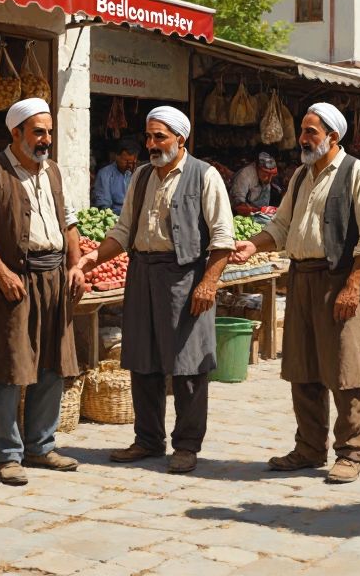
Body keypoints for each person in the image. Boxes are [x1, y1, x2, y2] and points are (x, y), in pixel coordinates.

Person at [231, 103, 360, 484]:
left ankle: (350, 452)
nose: (302, 138)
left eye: (311, 131)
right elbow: (281, 227)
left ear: (333, 136)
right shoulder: (301, 176)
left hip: (341, 279)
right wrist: (254, 245)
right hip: (302, 277)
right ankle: (309, 447)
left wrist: (353, 285)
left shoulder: (358, 174)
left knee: (347, 369)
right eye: (303, 130)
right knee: (303, 366)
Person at [79, 107, 234, 474]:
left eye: (159, 137)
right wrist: (92, 258)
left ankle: (186, 444)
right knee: (142, 359)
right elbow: (123, 230)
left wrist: (208, 282)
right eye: (148, 136)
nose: (151, 144)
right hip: (142, 273)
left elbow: (223, 238)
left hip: (184, 277)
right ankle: (148, 439)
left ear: (180, 139)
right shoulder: (143, 176)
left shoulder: (204, 176)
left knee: (188, 364)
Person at [0, 98, 87, 485]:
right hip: (15, 279)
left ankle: (41, 446)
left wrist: (77, 265)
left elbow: (69, 223)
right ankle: (7, 455)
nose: (46, 140)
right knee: (11, 365)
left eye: (48, 132)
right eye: (38, 132)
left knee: (52, 363)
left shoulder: (54, 172)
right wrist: (0, 271)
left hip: (55, 278)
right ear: (16, 133)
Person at [92, 141, 138, 215]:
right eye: (126, 161)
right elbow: (104, 205)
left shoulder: (136, 172)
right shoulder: (105, 174)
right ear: (117, 157)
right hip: (115, 217)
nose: (129, 165)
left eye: (132, 161)